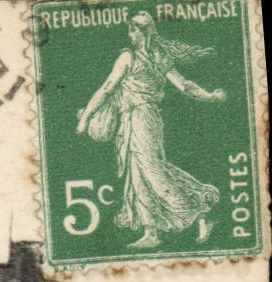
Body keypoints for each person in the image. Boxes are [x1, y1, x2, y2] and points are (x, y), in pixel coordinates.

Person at [76, 11, 224, 249]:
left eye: (133, 30)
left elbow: (106, 89)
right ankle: (151, 232)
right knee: (138, 174)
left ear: (142, 32)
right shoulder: (159, 58)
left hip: (141, 117)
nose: (129, 34)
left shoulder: (129, 58)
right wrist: (209, 96)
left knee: (151, 170)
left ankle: (198, 211)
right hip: (137, 118)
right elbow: (186, 86)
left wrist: (85, 118)